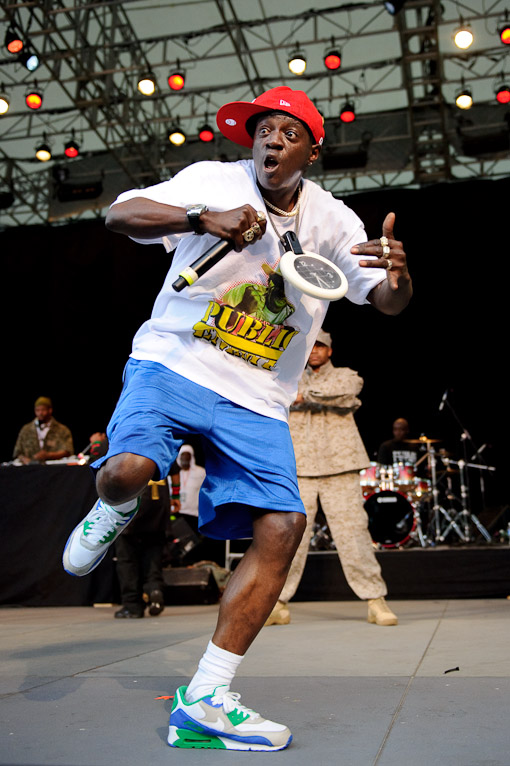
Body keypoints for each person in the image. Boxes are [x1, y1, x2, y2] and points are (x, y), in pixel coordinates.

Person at [62, 85, 412, 752]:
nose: (270, 140)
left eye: (287, 132)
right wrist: (202, 217)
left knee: (283, 525)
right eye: (262, 130)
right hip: (174, 362)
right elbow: (117, 213)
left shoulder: (332, 220)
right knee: (127, 472)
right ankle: (111, 507)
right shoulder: (213, 180)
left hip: (256, 397)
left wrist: (398, 276)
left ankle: (206, 699)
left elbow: (385, 301)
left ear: (312, 147)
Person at [265, 330, 398, 628]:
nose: (314, 351)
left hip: (340, 466)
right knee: (289, 539)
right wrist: (294, 395)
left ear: (329, 351)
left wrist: (303, 397)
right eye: (311, 346)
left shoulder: (345, 375)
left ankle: (375, 600)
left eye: (320, 346)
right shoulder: (287, 376)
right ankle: (278, 602)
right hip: (298, 467)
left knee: (353, 535)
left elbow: (348, 392)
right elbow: (271, 396)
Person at [114, 464, 181, 619]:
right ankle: (154, 589)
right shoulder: (163, 440)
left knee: (127, 559)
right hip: (158, 504)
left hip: (133, 501)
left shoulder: (123, 439)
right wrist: (176, 496)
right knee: (154, 553)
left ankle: (132, 605)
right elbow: (175, 471)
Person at [14, 396, 74, 464]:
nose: (40, 413)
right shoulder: (26, 429)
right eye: (37, 410)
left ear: (50, 410)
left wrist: (49, 455)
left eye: (43, 410)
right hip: (29, 470)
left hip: (55, 470)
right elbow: (18, 452)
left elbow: (68, 451)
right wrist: (27, 461)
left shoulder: (62, 430)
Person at [175, 444, 206, 532]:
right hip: (177, 513)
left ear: (191, 457)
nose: (185, 459)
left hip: (193, 514)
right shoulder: (175, 474)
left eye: (187, 456)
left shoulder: (200, 472)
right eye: (183, 456)